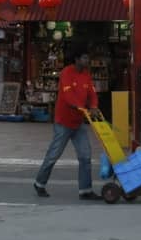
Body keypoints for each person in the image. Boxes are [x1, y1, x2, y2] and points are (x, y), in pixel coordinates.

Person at [32, 46, 101, 200]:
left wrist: (94, 106)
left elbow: (92, 93)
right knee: (53, 155)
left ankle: (85, 190)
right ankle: (39, 183)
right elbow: (68, 95)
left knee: (85, 156)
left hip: (78, 122)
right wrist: (81, 107)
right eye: (84, 58)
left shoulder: (86, 75)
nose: (87, 60)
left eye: (87, 58)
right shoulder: (66, 73)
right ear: (77, 59)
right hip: (63, 122)